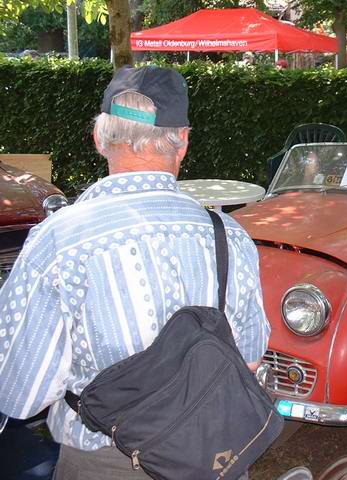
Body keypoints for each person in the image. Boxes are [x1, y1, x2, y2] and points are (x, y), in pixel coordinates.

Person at [0, 66, 271, 479]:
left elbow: (20, 394)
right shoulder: (229, 236)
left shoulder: (58, 241)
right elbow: (250, 358)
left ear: (99, 137)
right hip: (217, 456)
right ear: (182, 142)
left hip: (107, 463)